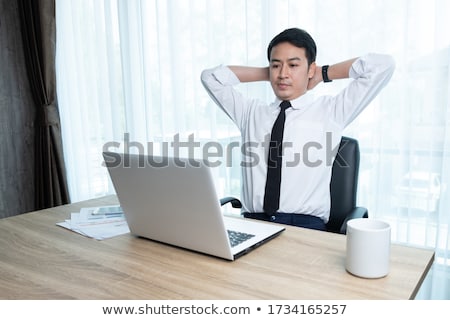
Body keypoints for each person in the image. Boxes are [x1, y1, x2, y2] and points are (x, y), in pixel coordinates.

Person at [201, 28, 395, 231]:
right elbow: (210, 77)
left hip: (304, 225)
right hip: (253, 223)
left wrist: (323, 73)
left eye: (293, 65)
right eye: (276, 65)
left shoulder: (330, 112)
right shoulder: (250, 112)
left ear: (310, 69)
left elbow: (382, 65)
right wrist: (270, 73)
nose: (283, 74)